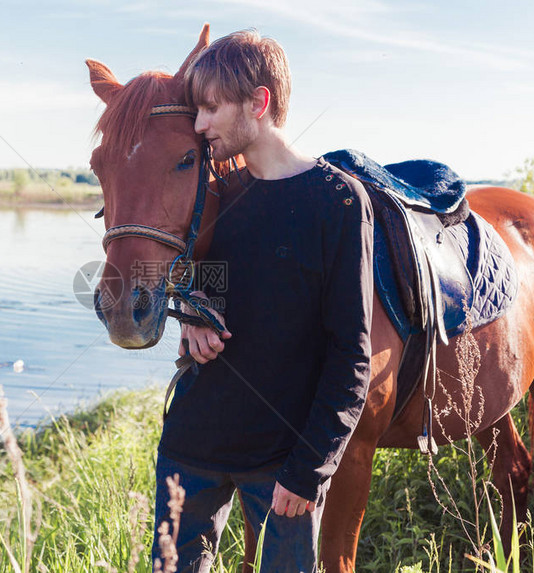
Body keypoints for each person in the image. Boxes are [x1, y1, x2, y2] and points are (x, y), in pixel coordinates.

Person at [151, 29, 374, 572]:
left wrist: (310, 471)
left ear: (260, 102)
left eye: (210, 108)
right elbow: (187, 277)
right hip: (188, 453)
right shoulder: (215, 192)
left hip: (280, 466)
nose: (199, 125)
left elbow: (352, 353)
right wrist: (191, 315)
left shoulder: (338, 200)